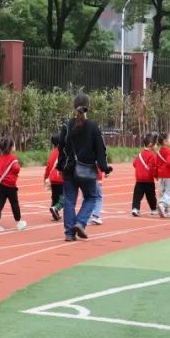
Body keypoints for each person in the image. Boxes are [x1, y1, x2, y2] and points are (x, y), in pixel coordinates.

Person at [57, 93, 110, 242]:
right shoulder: (93, 127)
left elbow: (61, 148)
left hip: (69, 169)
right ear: (88, 107)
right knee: (91, 197)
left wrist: (60, 167)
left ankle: (69, 232)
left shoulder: (67, 126)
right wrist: (104, 167)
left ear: (74, 107)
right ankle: (80, 222)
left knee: (69, 201)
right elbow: (101, 150)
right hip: (87, 169)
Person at [0, 138, 26, 232]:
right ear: (11, 148)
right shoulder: (13, 158)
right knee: (14, 204)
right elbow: (16, 168)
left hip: (0, 185)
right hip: (11, 186)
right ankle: (19, 222)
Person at [156, 132, 170, 218]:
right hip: (169, 175)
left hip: (161, 175)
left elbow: (157, 163)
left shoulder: (159, 152)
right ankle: (162, 204)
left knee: (162, 193)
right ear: (165, 141)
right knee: (169, 192)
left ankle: (166, 210)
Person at [43, 133, 64, 221]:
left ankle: (54, 212)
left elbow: (48, 167)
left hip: (52, 179)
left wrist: (46, 178)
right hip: (61, 178)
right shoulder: (63, 152)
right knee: (66, 196)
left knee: (55, 196)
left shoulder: (52, 153)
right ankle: (56, 208)